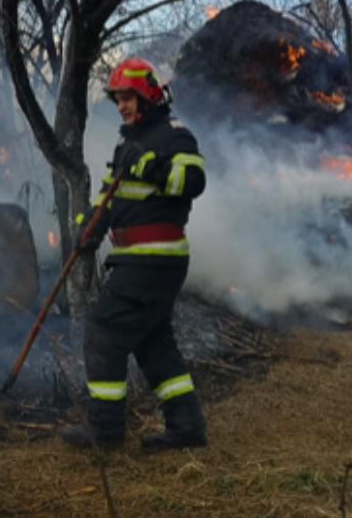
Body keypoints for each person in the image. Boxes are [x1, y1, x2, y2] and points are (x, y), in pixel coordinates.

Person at [59, 57, 208, 451]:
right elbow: (111, 199)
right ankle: (187, 428)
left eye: (129, 98)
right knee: (152, 343)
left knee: (104, 332)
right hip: (137, 258)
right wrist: (91, 225)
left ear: (149, 96)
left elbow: (193, 180)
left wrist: (149, 166)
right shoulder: (127, 143)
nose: (122, 106)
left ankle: (105, 431)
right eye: (119, 99)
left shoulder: (174, 136)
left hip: (153, 258)